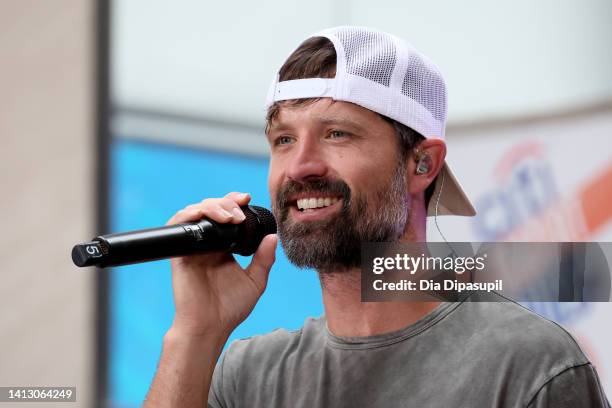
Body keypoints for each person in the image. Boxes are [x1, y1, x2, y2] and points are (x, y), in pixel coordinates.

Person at [143, 26, 610, 407]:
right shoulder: (249, 376)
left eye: (337, 133)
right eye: (284, 140)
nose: (301, 166)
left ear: (421, 164)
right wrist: (194, 334)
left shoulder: (529, 367)